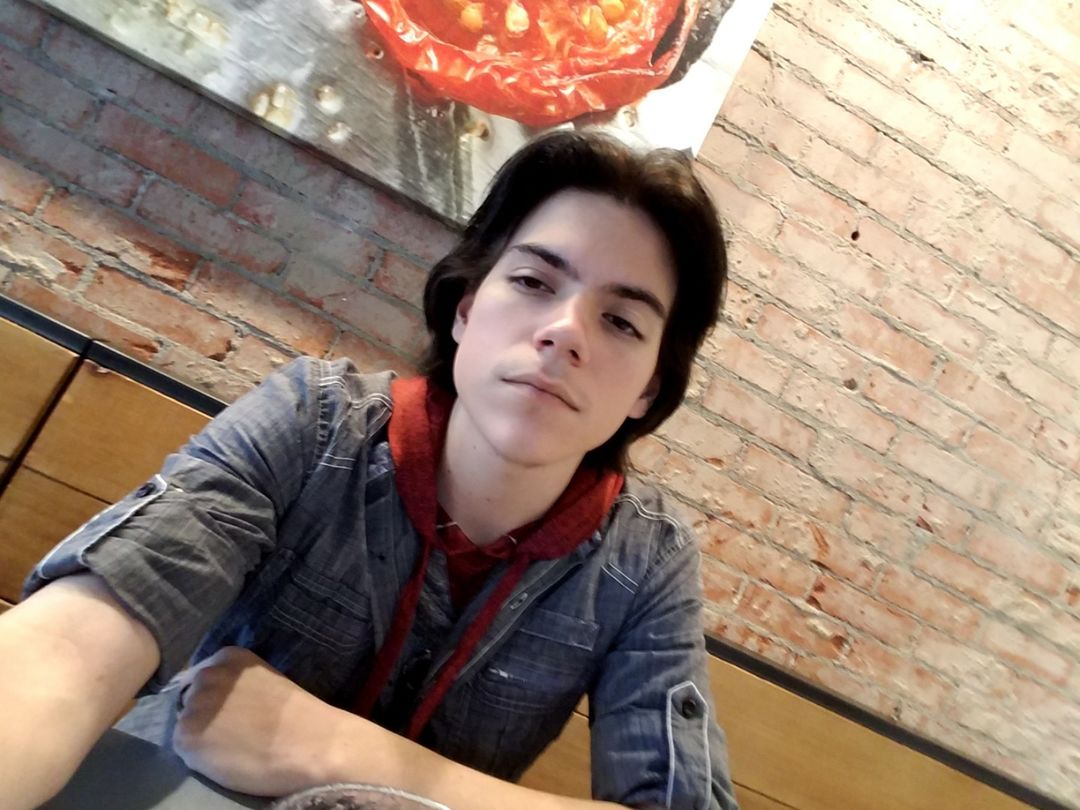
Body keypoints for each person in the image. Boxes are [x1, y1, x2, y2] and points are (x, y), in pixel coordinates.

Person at [0, 130, 738, 810]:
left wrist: (343, 752)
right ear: (466, 309)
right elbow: (75, 641)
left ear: (648, 389)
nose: (564, 332)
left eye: (621, 322)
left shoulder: (646, 562)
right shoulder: (314, 421)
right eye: (534, 282)